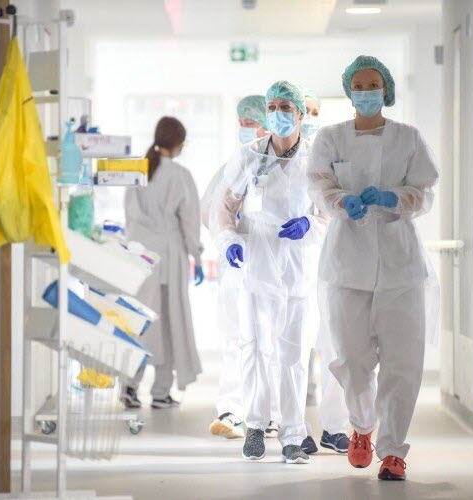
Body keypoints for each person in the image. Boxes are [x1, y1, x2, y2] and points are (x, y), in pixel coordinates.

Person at [308, 55, 439, 481]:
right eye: (359, 85)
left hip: (400, 267)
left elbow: (423, 192)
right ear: (349, 91)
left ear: (385, 89)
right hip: (347, 264)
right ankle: (361, 427)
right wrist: (337, 201)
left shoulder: (408, 138)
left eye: (373, 84)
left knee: (403, 361)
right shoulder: (330, 138)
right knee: (350, 358)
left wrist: (395, 199)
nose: (366, 92)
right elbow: (319, 186)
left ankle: (394, 450)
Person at [214, 81, 324, 465]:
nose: (278, 113)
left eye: (285, 107)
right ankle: (256, 427)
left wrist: (310, 224)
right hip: (256, 259)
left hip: (297, 263)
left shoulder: (316, 160)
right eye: (272, 106)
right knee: (254, 347)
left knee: (294, 352)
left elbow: (328, 212)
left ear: (298, 113)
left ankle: (293, 433)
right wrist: (228, 239)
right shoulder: (247, 156)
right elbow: (225, 209)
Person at [201, 96, 282, 439]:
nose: (247, 129)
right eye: (243, 123)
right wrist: (228, 237)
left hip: (274, 264)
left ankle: (271, 413)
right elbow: (211, 210)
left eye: (253, 123)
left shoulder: (282, 166)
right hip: (237, 262)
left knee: (272, 340)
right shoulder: (231, 166)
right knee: (235, 336)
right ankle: (231, 410)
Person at [122, 116, 204, 410]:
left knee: (137, 321)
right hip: (169, 258)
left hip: (138, 257)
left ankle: (129, 385)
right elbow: (190, 221)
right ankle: (160, 392)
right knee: (168, 323)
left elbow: (129, 216)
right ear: (179, 144)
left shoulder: (138, 171)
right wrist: (197, 253)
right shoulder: (180, 176)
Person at [296, 89, 353, 457]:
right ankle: (294, 427)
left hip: (332, 263)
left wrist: (312, 223)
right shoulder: (277, 157)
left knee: (335, 348)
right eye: (306, 110)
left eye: (315, 110)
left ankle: (334, 428)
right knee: (294, 350)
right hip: (295, 268)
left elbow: (339, 207)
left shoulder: (335, 153)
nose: (310, 116)